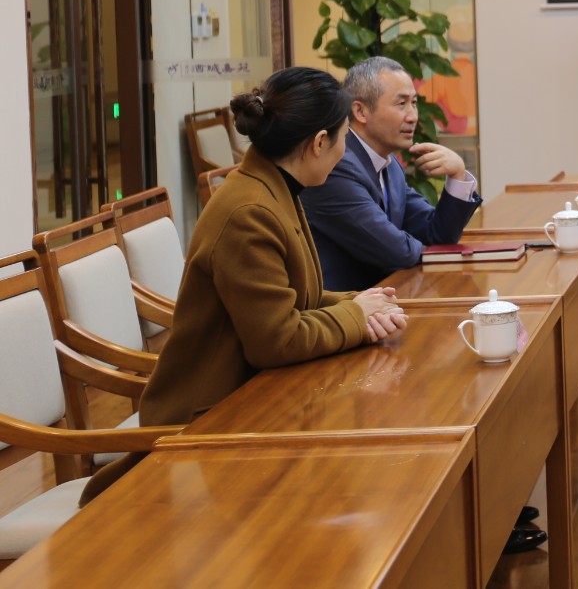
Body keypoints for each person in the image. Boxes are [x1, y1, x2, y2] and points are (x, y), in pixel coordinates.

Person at [81, 67, 407, 504]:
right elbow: (277, 340)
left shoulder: (274, 186)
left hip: (250, 394)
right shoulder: (249, 211)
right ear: (318, 143)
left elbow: (294, 298)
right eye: (345, 138)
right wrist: (355, 316)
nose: (346, 151)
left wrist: (361, 303)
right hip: (206, 418)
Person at [302, 56, 483, 290]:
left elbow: (436, 234)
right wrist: (422, 248)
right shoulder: (337, 165)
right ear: (360, 111)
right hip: (342, 308)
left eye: (414, 103)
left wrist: (457, 175)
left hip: (384, 301)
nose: (413, 116)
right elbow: (398, 252)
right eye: (401, 104)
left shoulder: (389, 164)